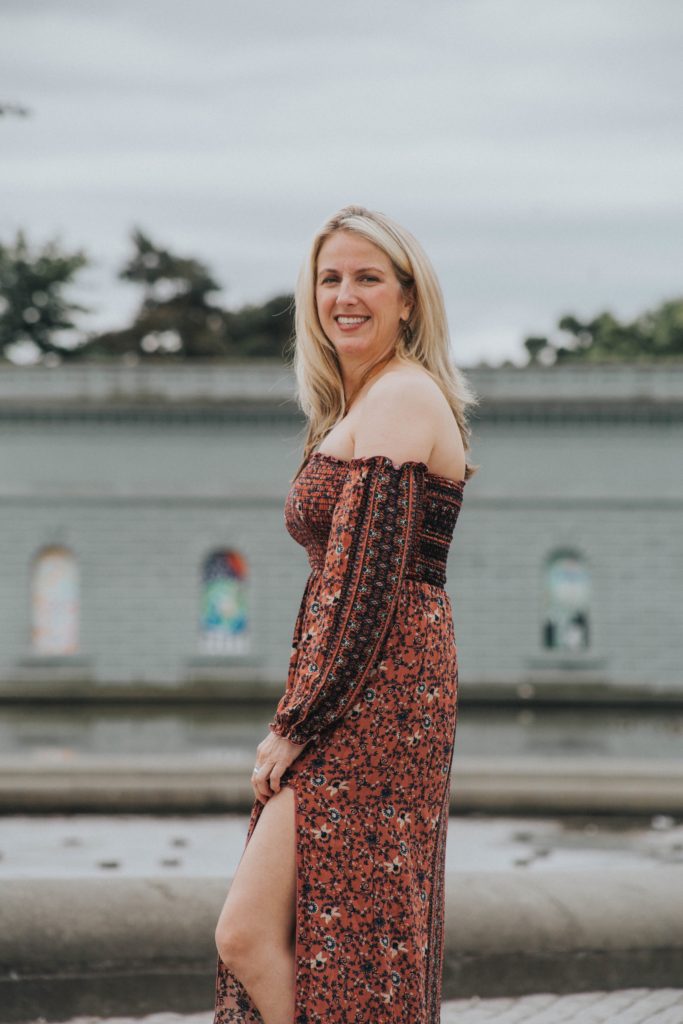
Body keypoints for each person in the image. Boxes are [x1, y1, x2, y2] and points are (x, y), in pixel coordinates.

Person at [214, 204, 479, 1024]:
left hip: (374, 694)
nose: (344, 295)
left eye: (367, 277)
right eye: (330, 278)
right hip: (364, 684)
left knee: (259, 932)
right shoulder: (365, 403)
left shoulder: (400, 397)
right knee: (329, 930)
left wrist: (299, 720)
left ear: (408, 298)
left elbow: (366, 585)